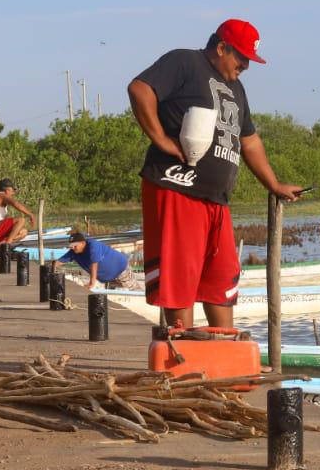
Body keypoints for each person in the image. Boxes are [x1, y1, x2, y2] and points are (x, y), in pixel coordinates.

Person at [128, 18, 301, 329]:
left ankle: (222, 355)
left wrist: (273, 183)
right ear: (222, 47)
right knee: (179, 281)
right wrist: (160, 138)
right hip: (177, 188)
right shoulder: (185, 62)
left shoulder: (237, 88)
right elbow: (140, 89)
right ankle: (185, 361)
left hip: (215, 200)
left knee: (221, 282)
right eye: (242, 57)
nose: (246, 65)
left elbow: (249, 140)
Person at [58, 231, 138, 289]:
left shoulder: (93, 246)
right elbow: (59, 262)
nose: (73, 248)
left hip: (121, 271)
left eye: (75, 246)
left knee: (134, 292)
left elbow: (94, 264)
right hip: (107, 279)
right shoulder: (73, 252)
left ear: (82, 243)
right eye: (71, 246)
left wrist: (91, 284)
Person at [0, 178, 35, 247]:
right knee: (21, 220)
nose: (12, 193)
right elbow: (15, 204)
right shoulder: (1, 195)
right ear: (7, 190)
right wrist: (30, 214)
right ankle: (7, 246)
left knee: (23, 232)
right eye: (12, 191)